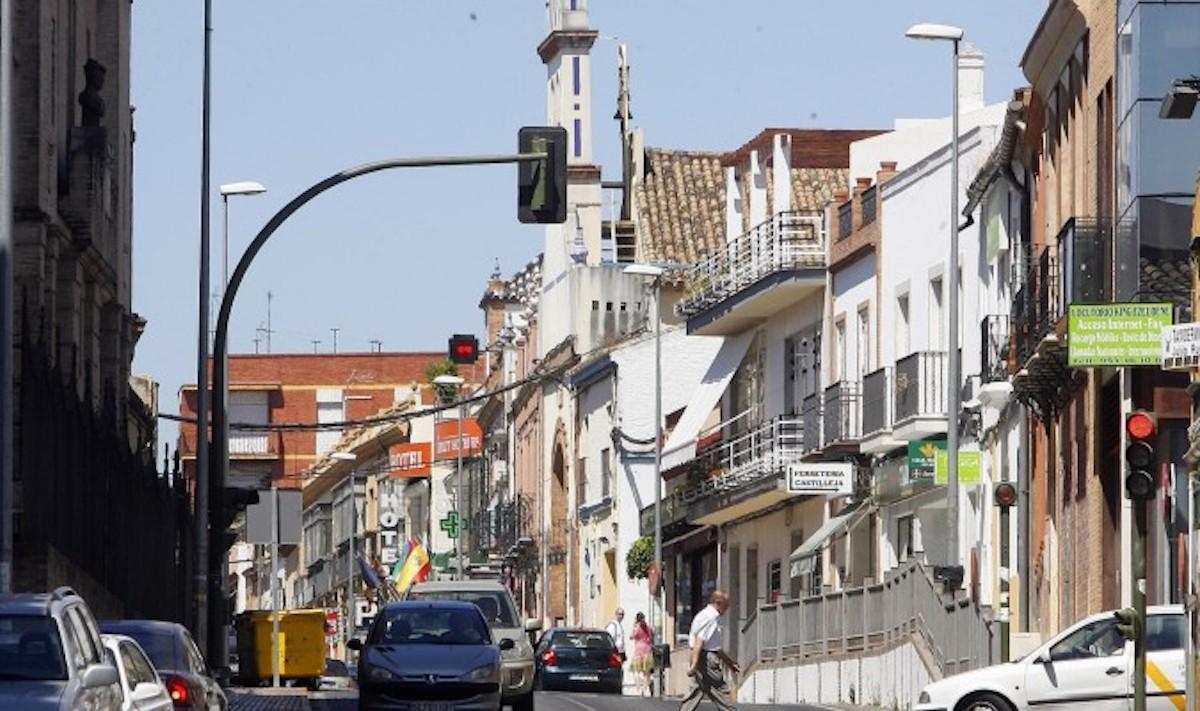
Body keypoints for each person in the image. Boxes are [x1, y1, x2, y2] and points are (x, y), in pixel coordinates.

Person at [680, 590, 739, 711]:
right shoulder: (710, 618)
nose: (727, 608)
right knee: (720, 690)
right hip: (705, 659)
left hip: (703, 655)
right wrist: (695, 665)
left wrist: (729, 662)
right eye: (726, 605)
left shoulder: (705, 615)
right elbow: (699, 642)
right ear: (718, 603)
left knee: (698, 689)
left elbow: (713, 646)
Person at [629, 612, 655, 697]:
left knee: (636, 671)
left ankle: (639, 689)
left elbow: (631, 636)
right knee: (646, 673)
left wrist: (634, 627)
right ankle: (644, 689)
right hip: (647, 650)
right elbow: (653, 635)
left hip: (638, 651)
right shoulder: (648, 628)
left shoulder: (637, 627)